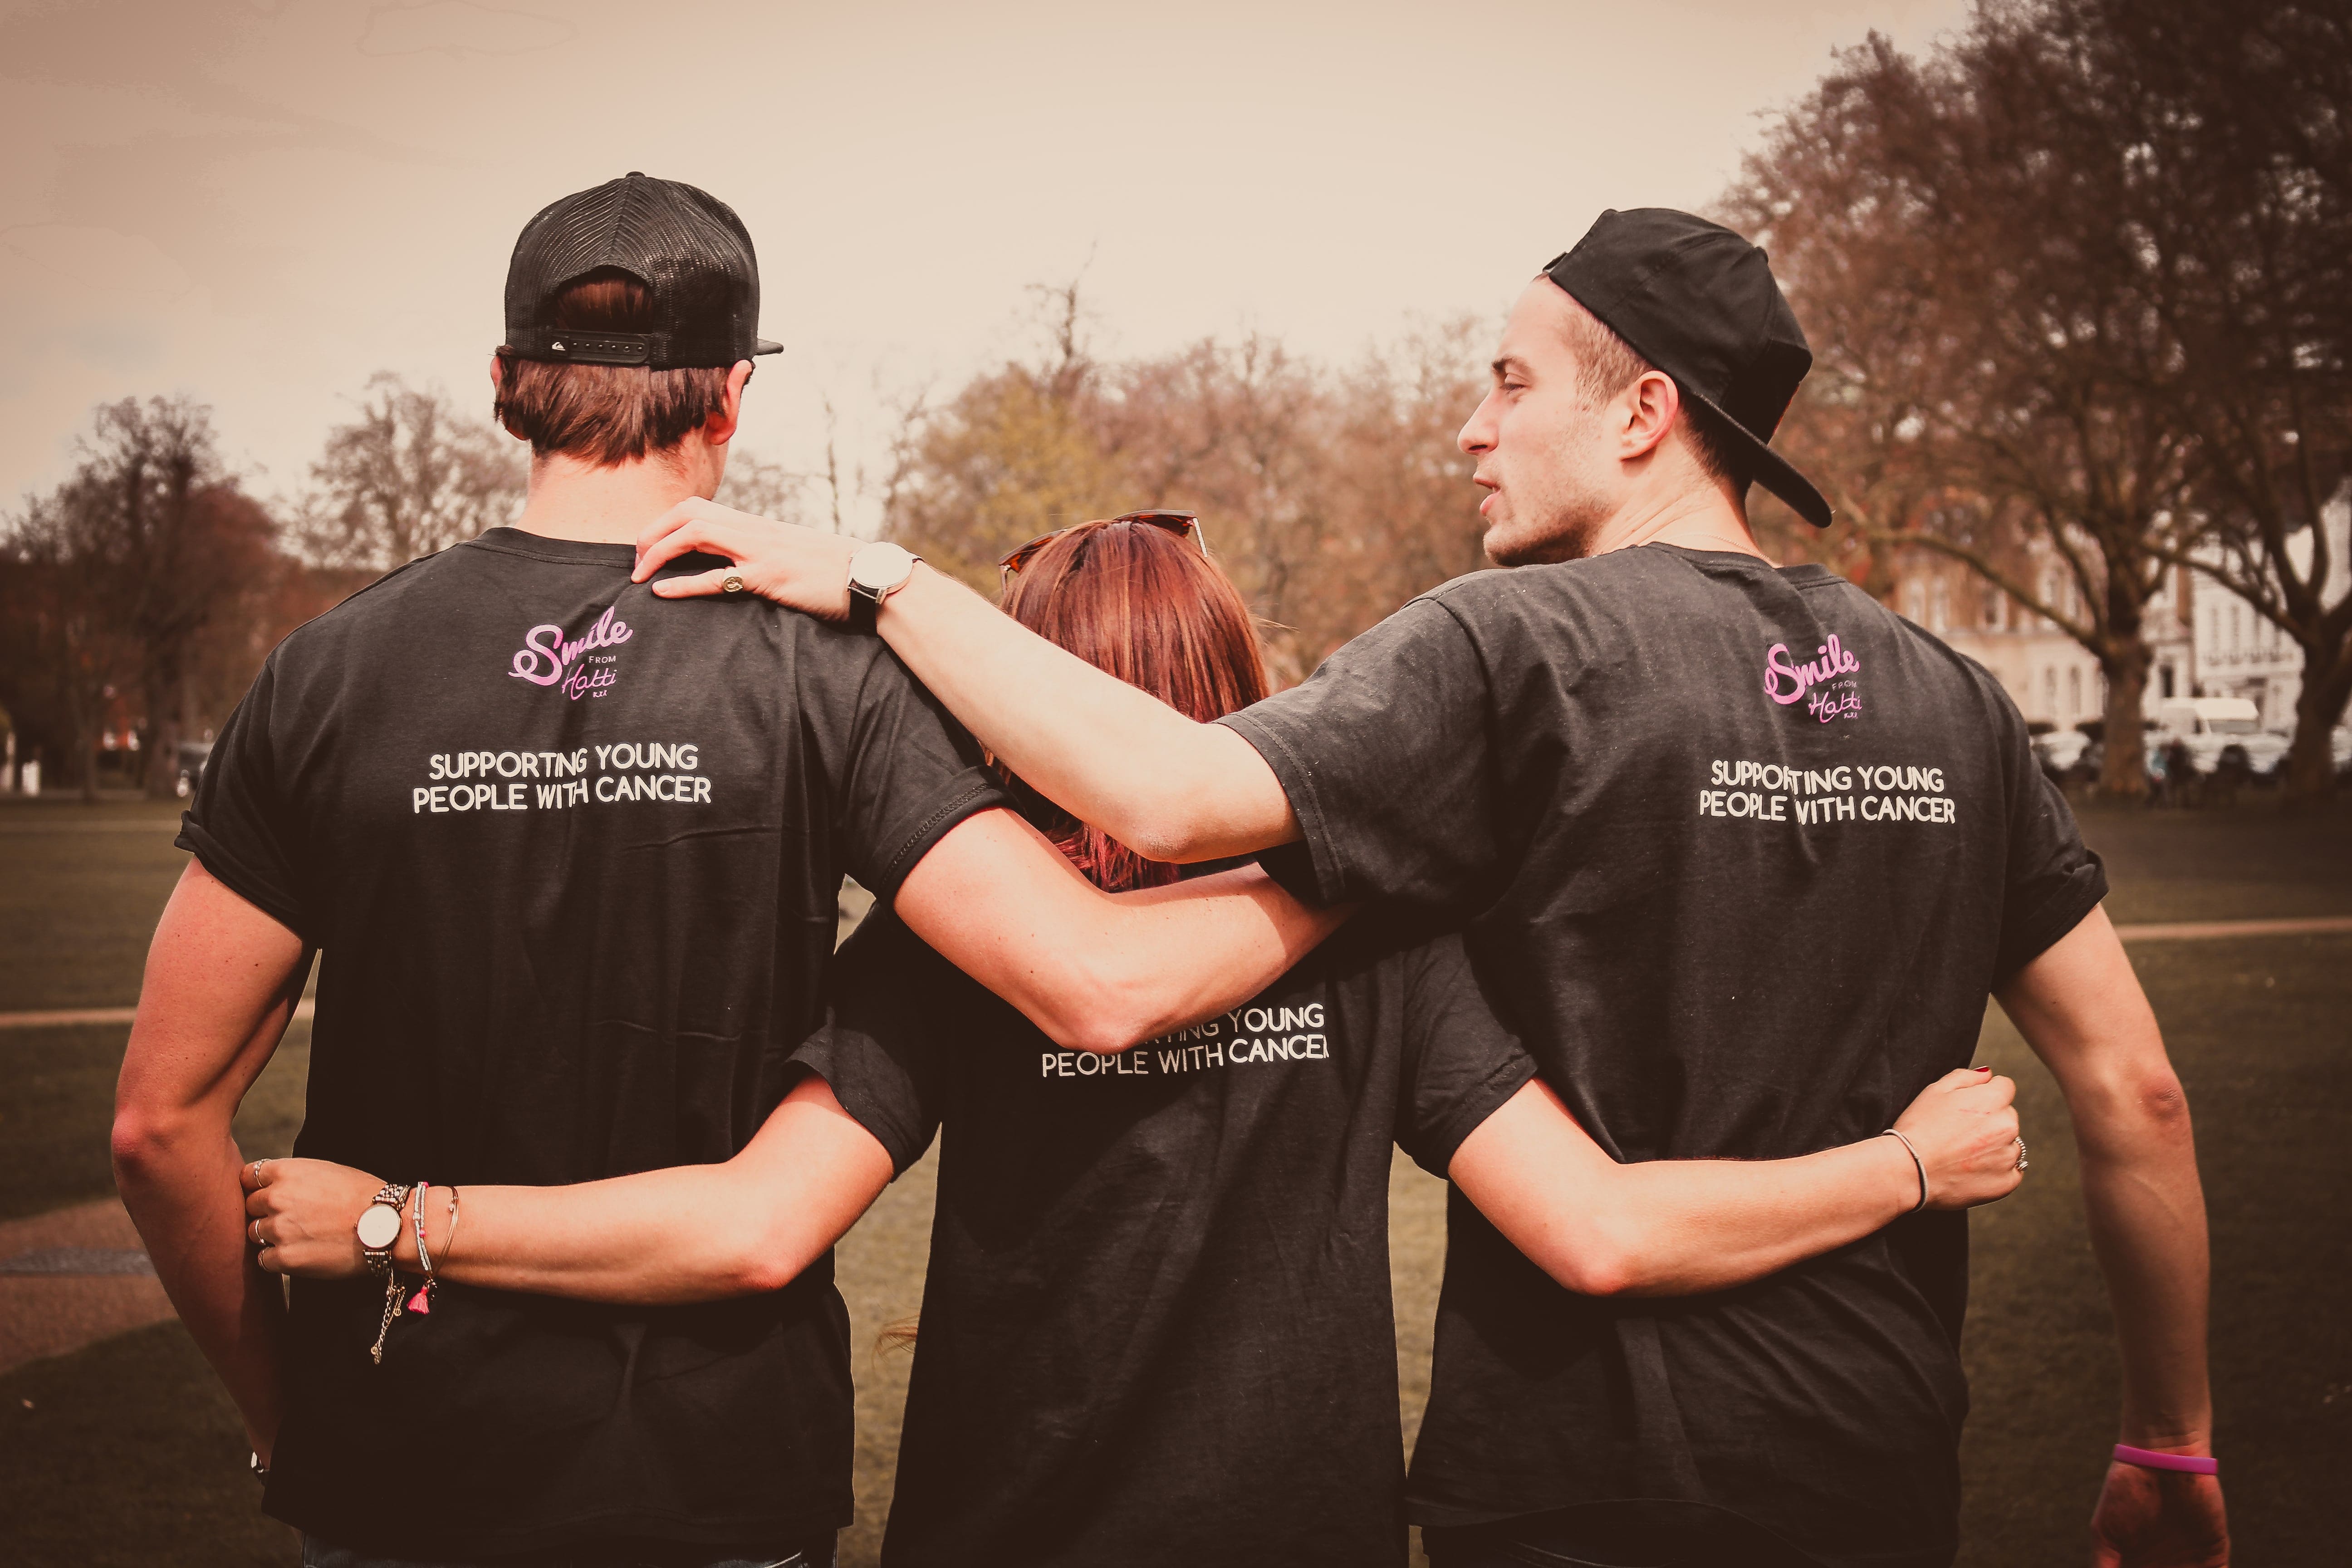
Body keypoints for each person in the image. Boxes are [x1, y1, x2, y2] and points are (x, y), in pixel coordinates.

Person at [627, 210, 2228, 1568]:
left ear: (1643, 410)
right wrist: (2167, 1443)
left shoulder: (1516, 648)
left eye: (1511, 381)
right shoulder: (1956, 697)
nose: (1474, 424)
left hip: (1577, 1479)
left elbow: (1170, 799)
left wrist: (878, 577)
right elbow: (2138, 1094)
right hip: (1878, 1451)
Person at [245, 511, 2030, 1567]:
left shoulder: (946, 962)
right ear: (1254, 692)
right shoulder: (1381, 941)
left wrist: (407, 1218)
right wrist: (1908, 1170)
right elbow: (1604, 1230)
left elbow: (752, 1226)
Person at [110, 175, 1337, 1568]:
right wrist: (1377, 848)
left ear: (507, 382)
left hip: (400, 1472)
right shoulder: (832, 673)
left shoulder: (324, 676)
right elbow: (1091, 976)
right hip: (713, 1483)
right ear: (731, 397)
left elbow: (158, 1127)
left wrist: (295, 1426)